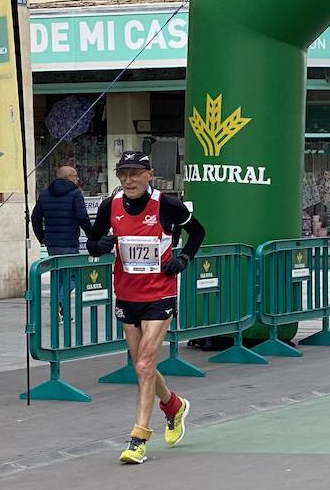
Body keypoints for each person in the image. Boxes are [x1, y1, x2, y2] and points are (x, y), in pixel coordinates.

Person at [85, 151, 206, 465]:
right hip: (126, 295)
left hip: (159, 294)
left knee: (142, 366)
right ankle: (173, 406)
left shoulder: (167, 205)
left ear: (149, 174)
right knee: (143, 366)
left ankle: (138, 439)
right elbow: (93, 241)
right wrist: (100, 246)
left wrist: (183, 260)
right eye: (123, 173)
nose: (128, 180)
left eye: (135, 173)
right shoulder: (110, 206)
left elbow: (198, 232)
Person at [31, 165, 93, 257]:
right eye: (75, 176)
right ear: (69, 177)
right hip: (70, 242)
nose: (78, 179)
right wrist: (92, 236)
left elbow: (35, 218)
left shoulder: (44, 195)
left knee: (56, 270)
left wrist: (42, 238)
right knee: (71, 270)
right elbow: (82, 217)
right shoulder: (75, 194)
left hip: (51, 244)